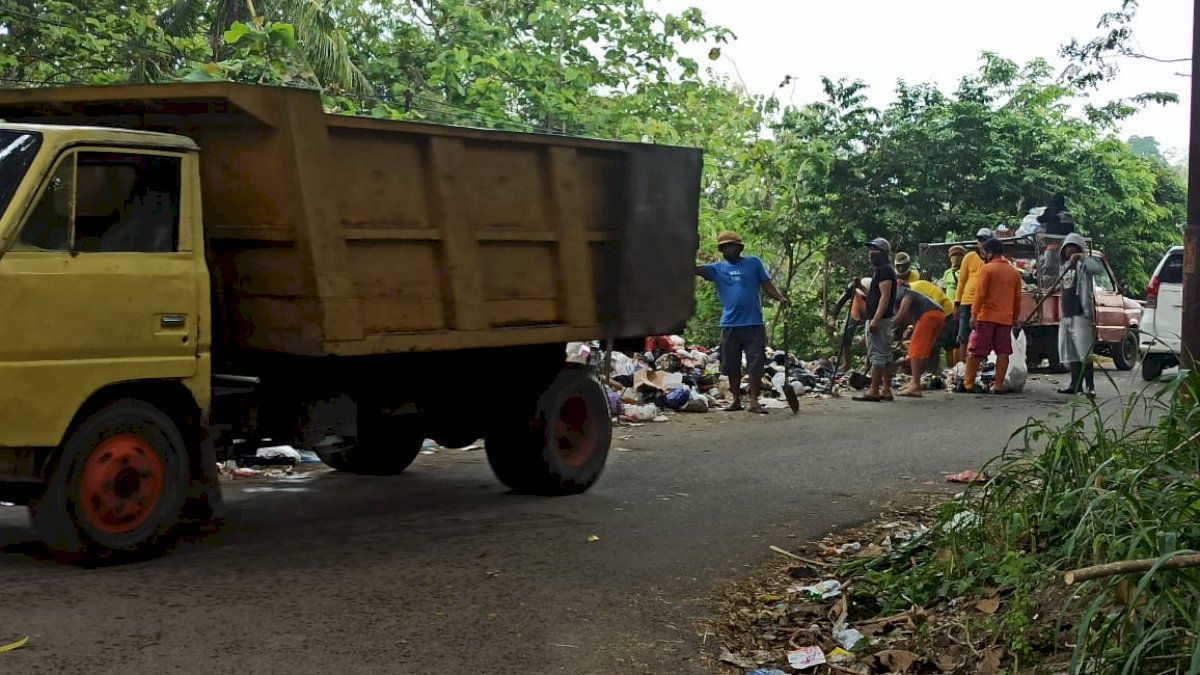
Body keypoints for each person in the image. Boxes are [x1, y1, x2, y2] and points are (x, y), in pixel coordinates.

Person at [696, 231, 789, 414]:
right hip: (730, 324)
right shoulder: (717, 268)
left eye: (732, 245)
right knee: (731, 364)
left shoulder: (753, 263)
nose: (729, 249)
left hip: (753, 323)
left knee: (755, 362)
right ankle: (736, 400)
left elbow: (766, 284)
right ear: (721, 250)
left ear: (739, 247)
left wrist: (780, 298)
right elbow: (695, 269)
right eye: (725, 246)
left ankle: (754, 401)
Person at [961, 238, 1023, 394]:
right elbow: (1017, 299)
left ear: (989, 253)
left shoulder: (987, 269)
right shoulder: (1014, 273)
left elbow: (980, 295)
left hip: (986, 316)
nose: (983, 255)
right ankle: (999, 385)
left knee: (976, 350)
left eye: (984, 252)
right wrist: (1014, 317)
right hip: (1005, 318)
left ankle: (968, 383)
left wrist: (973, 314)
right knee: (1003, 351)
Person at [1056, 232, 1104, 397]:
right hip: (1067, 314)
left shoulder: (1084, 266)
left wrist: (1082, 258)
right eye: (1067, 247)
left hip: (1081, 314)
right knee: (1070, 352)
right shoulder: (1064, 267)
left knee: (1084, 352)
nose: (1069, 250)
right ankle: (1074, 385)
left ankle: (1090, 386)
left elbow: (1099, 269)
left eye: (1073, 247)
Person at [853, 238, 896, 403]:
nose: (872, 253)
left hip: (880, 318)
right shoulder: (882, 271)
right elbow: (875, 294)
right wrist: (860, 287)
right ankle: (886, 389)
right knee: (885, 354)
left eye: (875, 250)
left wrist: (876, 319)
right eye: (871, 250)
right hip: (882, 318)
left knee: (877, 354)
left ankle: (874, 390)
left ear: (884, 253)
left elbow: (885, 296)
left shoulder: (884, 271)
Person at [891, 281, 947, 397]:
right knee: (923, 350)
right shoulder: (913, 294)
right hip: (939, 315)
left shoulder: (903, 293)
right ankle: (914, 382)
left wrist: (886, 327)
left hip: (929, 316)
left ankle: (915, 385)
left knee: (915, 350)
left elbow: (900, 316)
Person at [953, 229, 993, 366]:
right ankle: (961, 367)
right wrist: (957, 304)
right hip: (967, 302)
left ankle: (982, 365)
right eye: (980, 240)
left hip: (985, 303)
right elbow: (962, 281)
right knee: (963, 337)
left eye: (985, 240)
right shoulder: (969, 257)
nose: (982, 243)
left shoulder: (992, 258)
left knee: (983, 336)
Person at [831, 277, 870, 371]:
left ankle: (868, 365)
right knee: (845, 335)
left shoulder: (875, 294)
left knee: (871, 339)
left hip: (870, 314)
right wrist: (833, 319)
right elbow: (841, 302)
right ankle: (847, 364)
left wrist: (866, 336)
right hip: (855, 311)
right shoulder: (853, 289)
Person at [940, 245, 966, 366]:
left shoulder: (964, 272)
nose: (956, 258)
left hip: (960, 309)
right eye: (953, 255)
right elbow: (944, 290)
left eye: (958, 255)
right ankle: (950, 368)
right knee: (948, 342)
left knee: (958, 340)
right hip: (947, 310)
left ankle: (958, 367)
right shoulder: (947, 273)